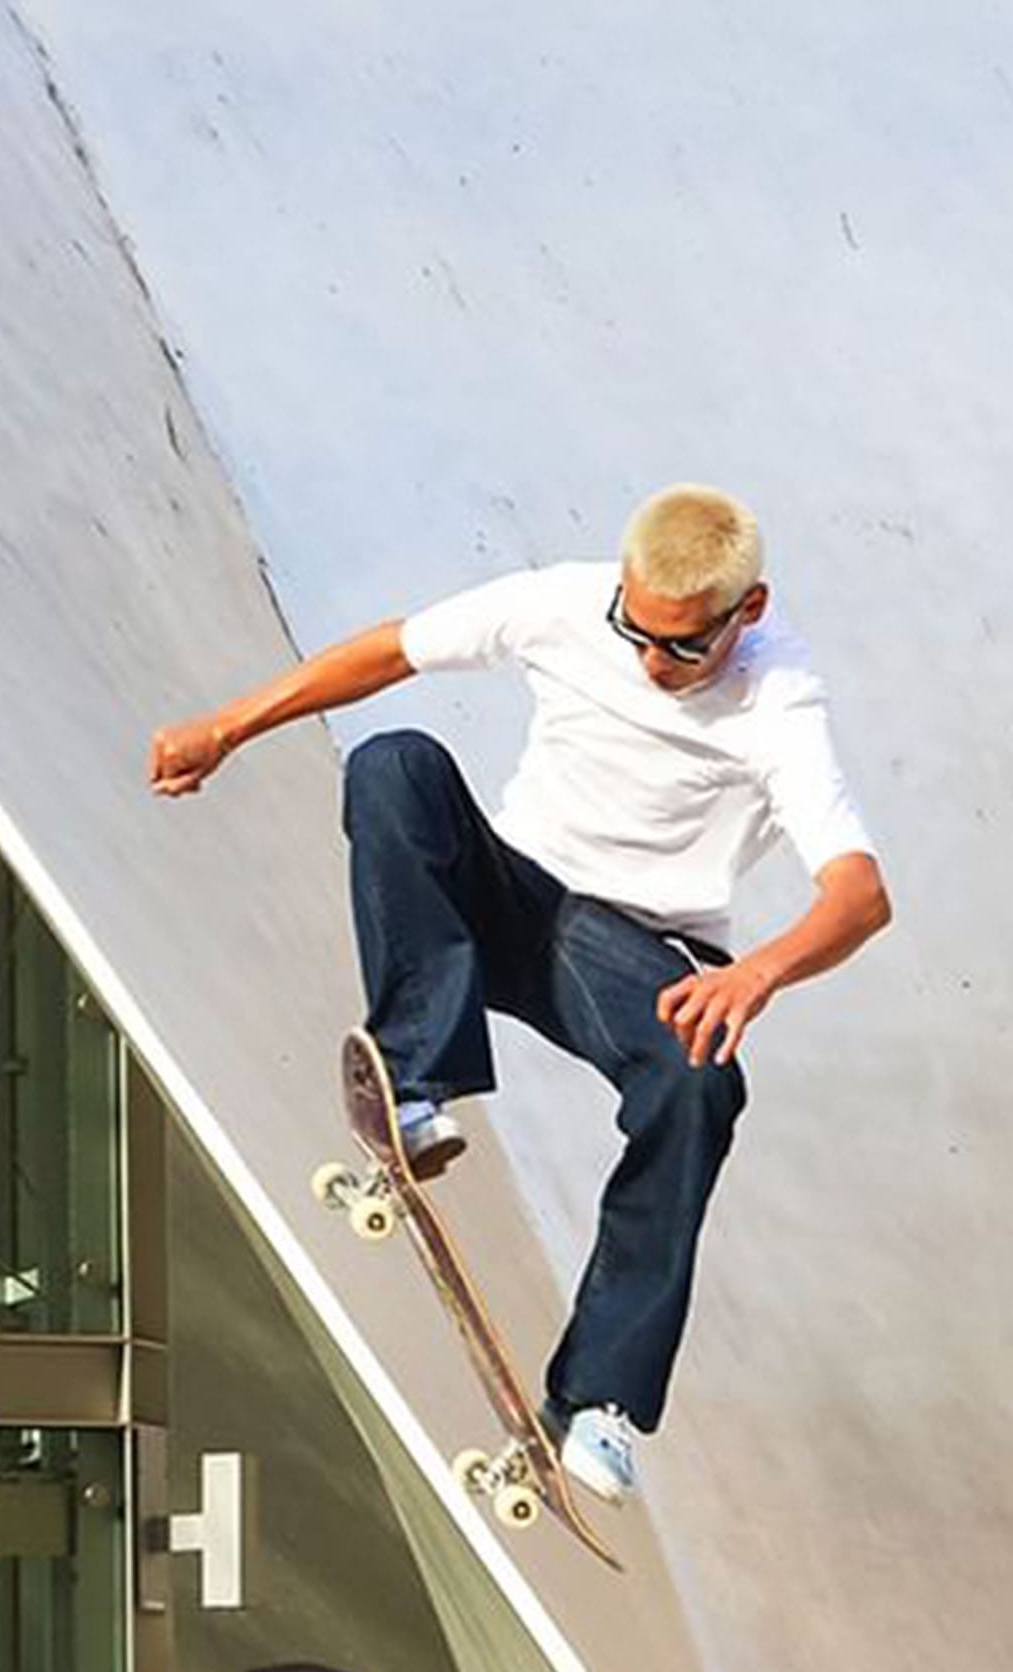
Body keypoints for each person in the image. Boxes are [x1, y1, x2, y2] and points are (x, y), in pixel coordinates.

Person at [146, 484, 891, 1504]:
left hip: (629, 953)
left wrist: (756, 972)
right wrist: (229, 728)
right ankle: (414, 1086)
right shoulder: (562, 601)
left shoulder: (781, 701)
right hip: (509, 895)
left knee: (699, 1079)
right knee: (395, 764)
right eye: (635, 631)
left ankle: (599, 1400)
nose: (648, 662)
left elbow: (857, 894)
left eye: (680, 648)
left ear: (745, 613)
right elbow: (387, 651)